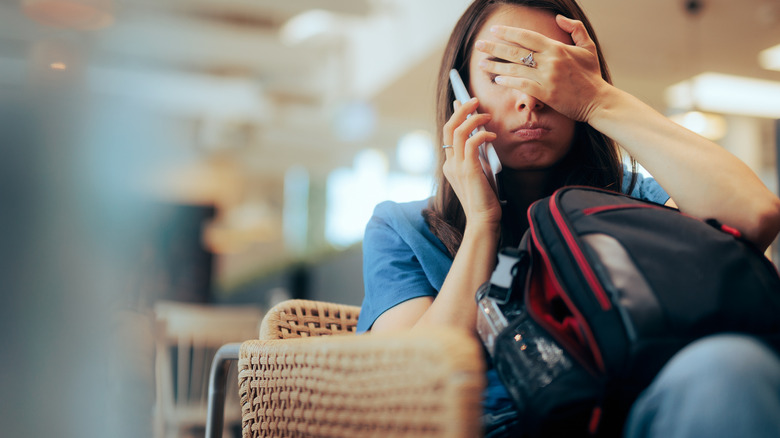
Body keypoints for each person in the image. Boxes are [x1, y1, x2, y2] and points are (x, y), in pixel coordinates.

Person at [357, 0, 780, 436]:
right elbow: (407, 389)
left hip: (630, 415)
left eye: (550, 71)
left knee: (733, 368)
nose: (529, 99)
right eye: (501, 74)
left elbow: (755, 215)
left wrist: (599, 100)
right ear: (461, 96)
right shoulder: (402, 229)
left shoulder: (634, 202)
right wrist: (483, 223)